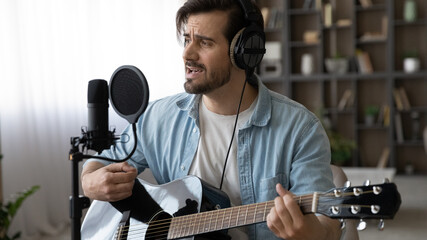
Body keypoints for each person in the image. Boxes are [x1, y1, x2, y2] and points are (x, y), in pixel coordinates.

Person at [81, 0, 341, 239]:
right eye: (186, 40)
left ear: (243, 52)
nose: (187, 54)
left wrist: (309, 234)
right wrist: (91, 182)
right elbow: (100, 163)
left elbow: (327, 224)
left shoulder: (300, 130)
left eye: (204, 42)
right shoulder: (156, 117)